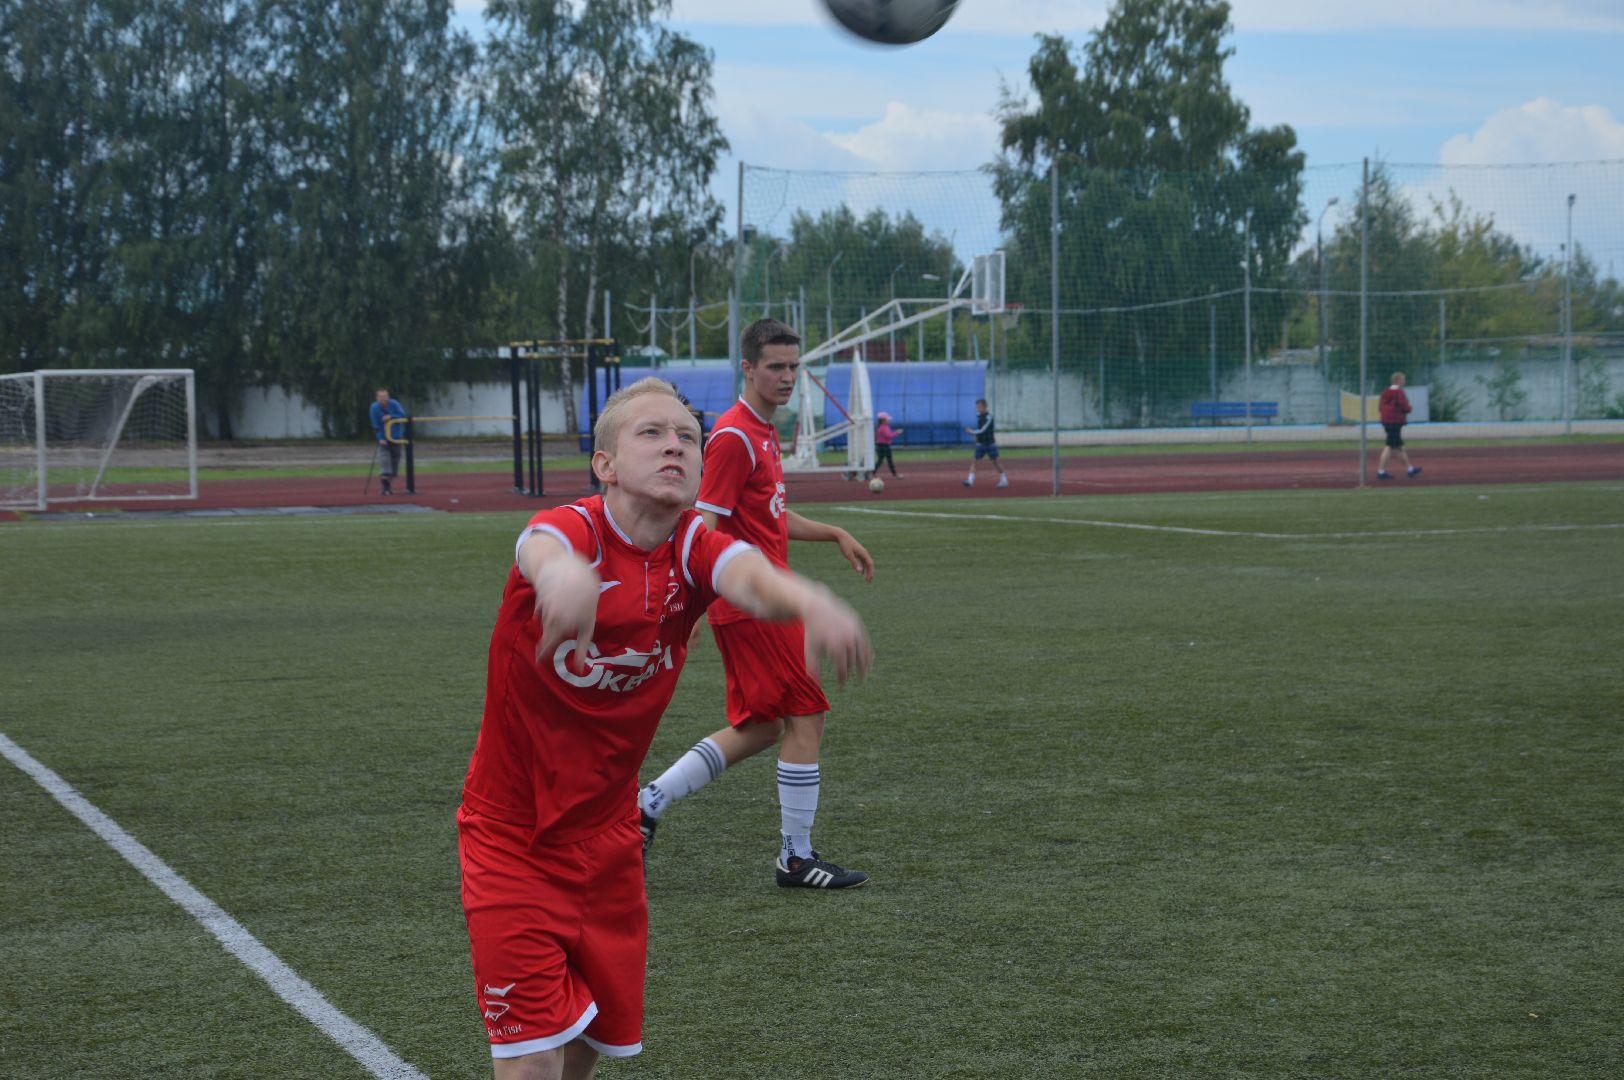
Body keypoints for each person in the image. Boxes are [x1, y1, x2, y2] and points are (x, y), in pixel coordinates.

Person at [458, 376, 870, 1079]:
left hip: (610, 844)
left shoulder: (691, 548)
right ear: (606, 465)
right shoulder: (573, 529)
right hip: (512, 838)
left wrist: (811, 600)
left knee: (590, 1047)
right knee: (531, 1064)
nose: (674, 445)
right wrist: (563, 582)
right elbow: (539, 548)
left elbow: (750, 575)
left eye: (687, 437)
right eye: (651, 433)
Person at [637, 318, 876, 890]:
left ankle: (646, 803)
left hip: (763, 599)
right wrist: (690, 608)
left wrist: (833, 532)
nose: (788, 376)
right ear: (747, 368)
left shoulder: (763, 432)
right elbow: (705, 525)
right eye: (776, 366)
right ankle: (795, 858)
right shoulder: (735, 436)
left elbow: (766, 516)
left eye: (794, 366)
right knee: (807, 714)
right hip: (751, 603)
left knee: (766, 726)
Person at [1376, 372, 1422, 480]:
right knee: (1391, 446)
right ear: (1398, 380)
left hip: (1386, 421)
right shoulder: (1399, 393)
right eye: (1403, 380)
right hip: (1395, 422)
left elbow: (1380, 407)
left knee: (1398, 446)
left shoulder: (1385, 392)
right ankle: (1381, 471)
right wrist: (1409, 408)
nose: (1404, 382)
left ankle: (1410, 469)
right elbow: (1406, 407)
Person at [963, 398, 1008, 488]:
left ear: (984, 407)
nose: (977, 408)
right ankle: (970, 480)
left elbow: (983, 430)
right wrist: (976, 437)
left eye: (979, 407)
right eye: (977, 407)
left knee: (996, 462)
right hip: (981, 444)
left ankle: (1004, 480)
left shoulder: (989, 417)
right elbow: (979, 428)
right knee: (975, 461)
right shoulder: (978, 416)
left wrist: (971, 432)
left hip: (990, 443)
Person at [369, 388, 407, 495]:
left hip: (396, 437)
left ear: (388, 397)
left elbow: (402, 415)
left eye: (385, 396)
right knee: (385, 461)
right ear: (377, 398)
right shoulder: (374, 408)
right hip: (384, 439)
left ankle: (388, 485)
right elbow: (375, 424)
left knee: (395, 462)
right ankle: (385, 488)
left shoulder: (394, 404)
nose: (383, 399)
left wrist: (391, 416)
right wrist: (380, 438)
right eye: (381, 397)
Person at [870, 411, 902, 479]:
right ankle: (894, 475)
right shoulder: (883, 427)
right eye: (887, 419)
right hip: (883, 446)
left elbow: (888, 435)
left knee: (882, 460)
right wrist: (897, 433)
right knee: (885, 460)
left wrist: (895, 432)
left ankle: (873, 472)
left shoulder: (884, 426)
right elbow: (888, 435)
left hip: (882, 446)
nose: (889, 420)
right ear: (883, 420)